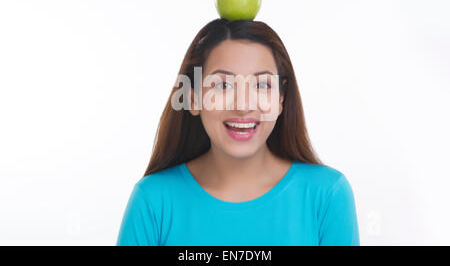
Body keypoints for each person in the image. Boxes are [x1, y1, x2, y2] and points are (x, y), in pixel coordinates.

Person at [116, 18, 360, 246]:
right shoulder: (152, 201)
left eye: (261, 85)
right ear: (192, 98)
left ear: (281, 98)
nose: (243, 105)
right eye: (223, 85)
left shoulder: (327, 196)